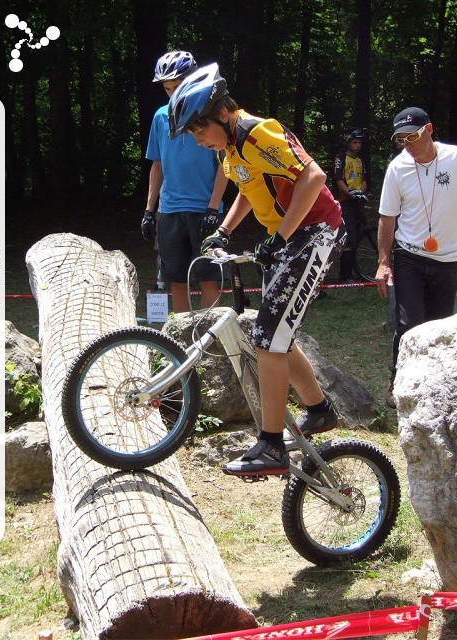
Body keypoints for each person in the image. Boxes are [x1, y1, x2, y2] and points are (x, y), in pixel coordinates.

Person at [168, 63, 345, 476]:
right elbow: (248, 191)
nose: (197, 141)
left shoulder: (259, 131)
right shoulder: (231, 149)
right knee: (276, 334)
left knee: (267, 338)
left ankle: (270, 446)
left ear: (221, 114)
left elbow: (314, 176)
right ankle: (319, 410)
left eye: (197, 130)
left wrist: (281, 237)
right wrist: (225, 232)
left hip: (316, 233)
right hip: (288, 237)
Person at [376, 107, 457, 407]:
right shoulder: (398, 168)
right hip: (410, 256)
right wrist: (383, 261)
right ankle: (397, 383)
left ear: (429, 129)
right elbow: (387, 218)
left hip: (447, 259)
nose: (408, 144)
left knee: (439, 328)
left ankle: (435, 388)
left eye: (412, 136)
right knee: (409, 324)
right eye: (401, 139)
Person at [142, 51, 228, 312]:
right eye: (167, 88)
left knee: (208, 277)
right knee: (176, 279)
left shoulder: (209, 115)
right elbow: (157, 165)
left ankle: (210, 337)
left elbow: (226, 165)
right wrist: (149, 210)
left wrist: (213, 208)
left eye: (177, 87)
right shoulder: (159, 117)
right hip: (169, 210)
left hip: (204, 208)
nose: (172, 93)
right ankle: (182, 342)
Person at [334, 129, 369, 283]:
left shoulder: (360, 160)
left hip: (357, 202)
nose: (357, 146)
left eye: (360, 143)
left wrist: (360, 193)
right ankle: (344, 276)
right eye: (355, 142)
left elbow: (364, 180)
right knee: (349, 238)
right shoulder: (341, 158)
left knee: (359, 233)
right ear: (348, 142)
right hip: (345, 201)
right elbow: (338, 179)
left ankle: (354, 271)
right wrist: (350, 193)